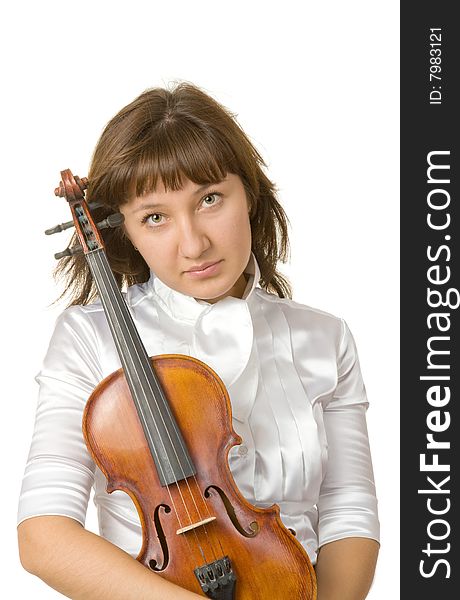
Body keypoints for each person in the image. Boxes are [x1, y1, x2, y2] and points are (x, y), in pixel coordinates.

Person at [17, 82, 380, 599]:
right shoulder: (87, 338)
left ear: (249, 193)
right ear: (128, 232)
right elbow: (44, 538)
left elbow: (348, 507)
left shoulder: (325, 337)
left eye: (210, 199)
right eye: (155, 217)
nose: (194, 244)